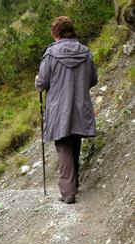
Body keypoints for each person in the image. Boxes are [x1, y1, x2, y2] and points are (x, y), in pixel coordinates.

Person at [35, 16, 98, 204]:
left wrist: (38, 81)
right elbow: (93, 79)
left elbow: (43, 82)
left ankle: (68, 192)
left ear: (56, 34)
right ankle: (74, 184)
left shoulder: (51, 54)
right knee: (75, 143)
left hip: (58, 108)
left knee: (63, 146)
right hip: (79, 105)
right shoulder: (85, 52)